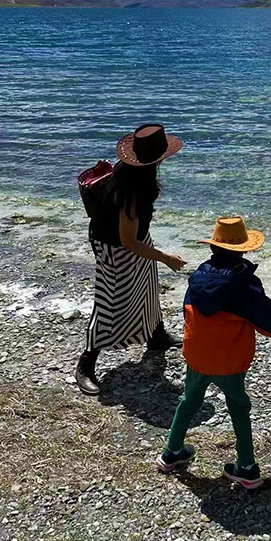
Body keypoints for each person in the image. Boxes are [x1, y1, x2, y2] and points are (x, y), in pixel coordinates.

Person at [156, 215, 271, 488]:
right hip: (230, 360)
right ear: (244, 249)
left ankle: (171, 453)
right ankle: (246, 467)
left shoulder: (198, 277)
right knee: (239, 406)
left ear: (212, 247)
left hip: (198, 355)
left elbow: (188, 313)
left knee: (188, 402)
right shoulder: (245, 285)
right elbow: (268, 321)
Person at [75, 124, 187, 396]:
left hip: (133, 239)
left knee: (147, 286)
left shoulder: (132, 174)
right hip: (114, 247)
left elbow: (134, 236)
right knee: (111, 301)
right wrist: (166, 258)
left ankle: (156, 335)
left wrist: (154, 255)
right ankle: (86, 363)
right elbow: (128, 242)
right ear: (157, 159)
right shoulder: (132, 191)